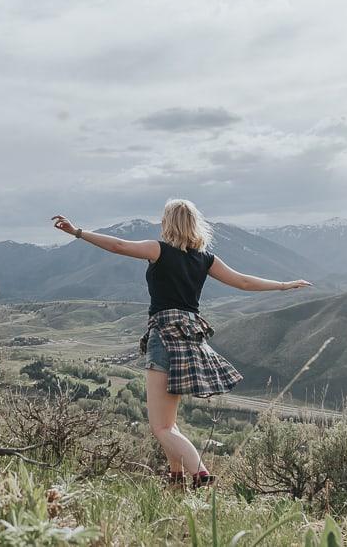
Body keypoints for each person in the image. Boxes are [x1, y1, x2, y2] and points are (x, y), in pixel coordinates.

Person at [51, 199, 311, 490]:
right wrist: (283, 285)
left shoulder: (158, 250)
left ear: (168, 223)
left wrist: (77, 232)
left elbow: (119, 246)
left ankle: (201, 475)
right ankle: (176, 483)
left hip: (164, 336)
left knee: (160, 427)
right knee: (169, 422)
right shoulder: (205, 259)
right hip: (190, 339)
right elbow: (243, 282)